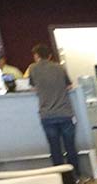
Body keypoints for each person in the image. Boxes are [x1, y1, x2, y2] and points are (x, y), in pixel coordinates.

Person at [27, 44, 79, 176]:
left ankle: (60, 177)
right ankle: (75, 174)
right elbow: (69, 86)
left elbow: (33, 87)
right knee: (70, 147)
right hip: (65, 113)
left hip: (47, 115)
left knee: (55, 148)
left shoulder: (33, 68)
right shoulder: (59, 68)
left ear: (36, 56)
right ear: (49, 56)